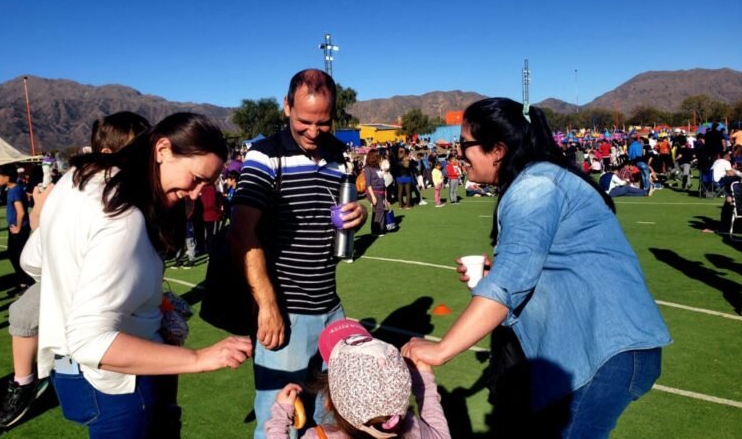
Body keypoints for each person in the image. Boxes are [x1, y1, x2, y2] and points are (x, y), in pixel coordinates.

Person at [401, 98, 671, 438]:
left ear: (496, 150)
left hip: (605, 351)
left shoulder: (534, 187)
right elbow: (533, 274)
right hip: (590, 352)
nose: (459, 154)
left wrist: (441, 350)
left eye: (464, 144)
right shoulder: (533, 181)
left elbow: (510, 283)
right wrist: (492, 277)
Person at [20, 112, 253, 438]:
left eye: (208, 184)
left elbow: (32, 261)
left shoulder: (74, 180)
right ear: (162, 150)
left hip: (72, 375)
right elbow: (90, 341)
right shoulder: (124, 215)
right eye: (197, 178)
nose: (199, 193)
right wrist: (200, 357)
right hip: (123, 386)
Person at [228, 69, 367, 439]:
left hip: (330, 306)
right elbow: (242, 232)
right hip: (286, 312)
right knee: (281, 422)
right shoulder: (264, 155)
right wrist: (268, 305)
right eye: (304, 120)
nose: (312, 131)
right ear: (286, 105)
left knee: (331, 418)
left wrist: (359, 214)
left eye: (323, 122)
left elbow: (346, 208)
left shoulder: (339, 154)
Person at [0, 111, 152, 429]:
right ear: (109, 154)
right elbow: (35, 259)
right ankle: (23, 381)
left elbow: (32, 260)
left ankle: (26, 379)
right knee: (24, 314)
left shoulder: (77, 186)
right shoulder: (95, 193)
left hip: (96, 353)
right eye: (141, 150)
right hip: (107, 365)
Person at [265, 319, 451, 438]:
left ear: (330, 402)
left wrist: (281, 416)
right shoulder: (416, 431)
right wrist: (424, 379)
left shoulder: (318, 437)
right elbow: (440, 432)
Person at [0, 165, 35, 295]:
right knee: (13, 255)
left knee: (18, 257)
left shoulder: (15, 191)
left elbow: (21, 212)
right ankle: (22, 283)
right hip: (15, 229)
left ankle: (27, 284)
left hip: (19, 230)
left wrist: (17, 227)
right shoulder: (12, 190)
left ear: (7, 177)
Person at [363, 149, 387, 236]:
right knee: (380, 210)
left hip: (380, 192)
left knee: (376, 211)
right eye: (378, 156)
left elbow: (381, 180)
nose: (380, 158)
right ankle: (378, 230)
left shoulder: (377, 167)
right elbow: (368, 183)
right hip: (374, 192)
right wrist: (372, 196)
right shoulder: (367, 169)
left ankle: (374, 230)